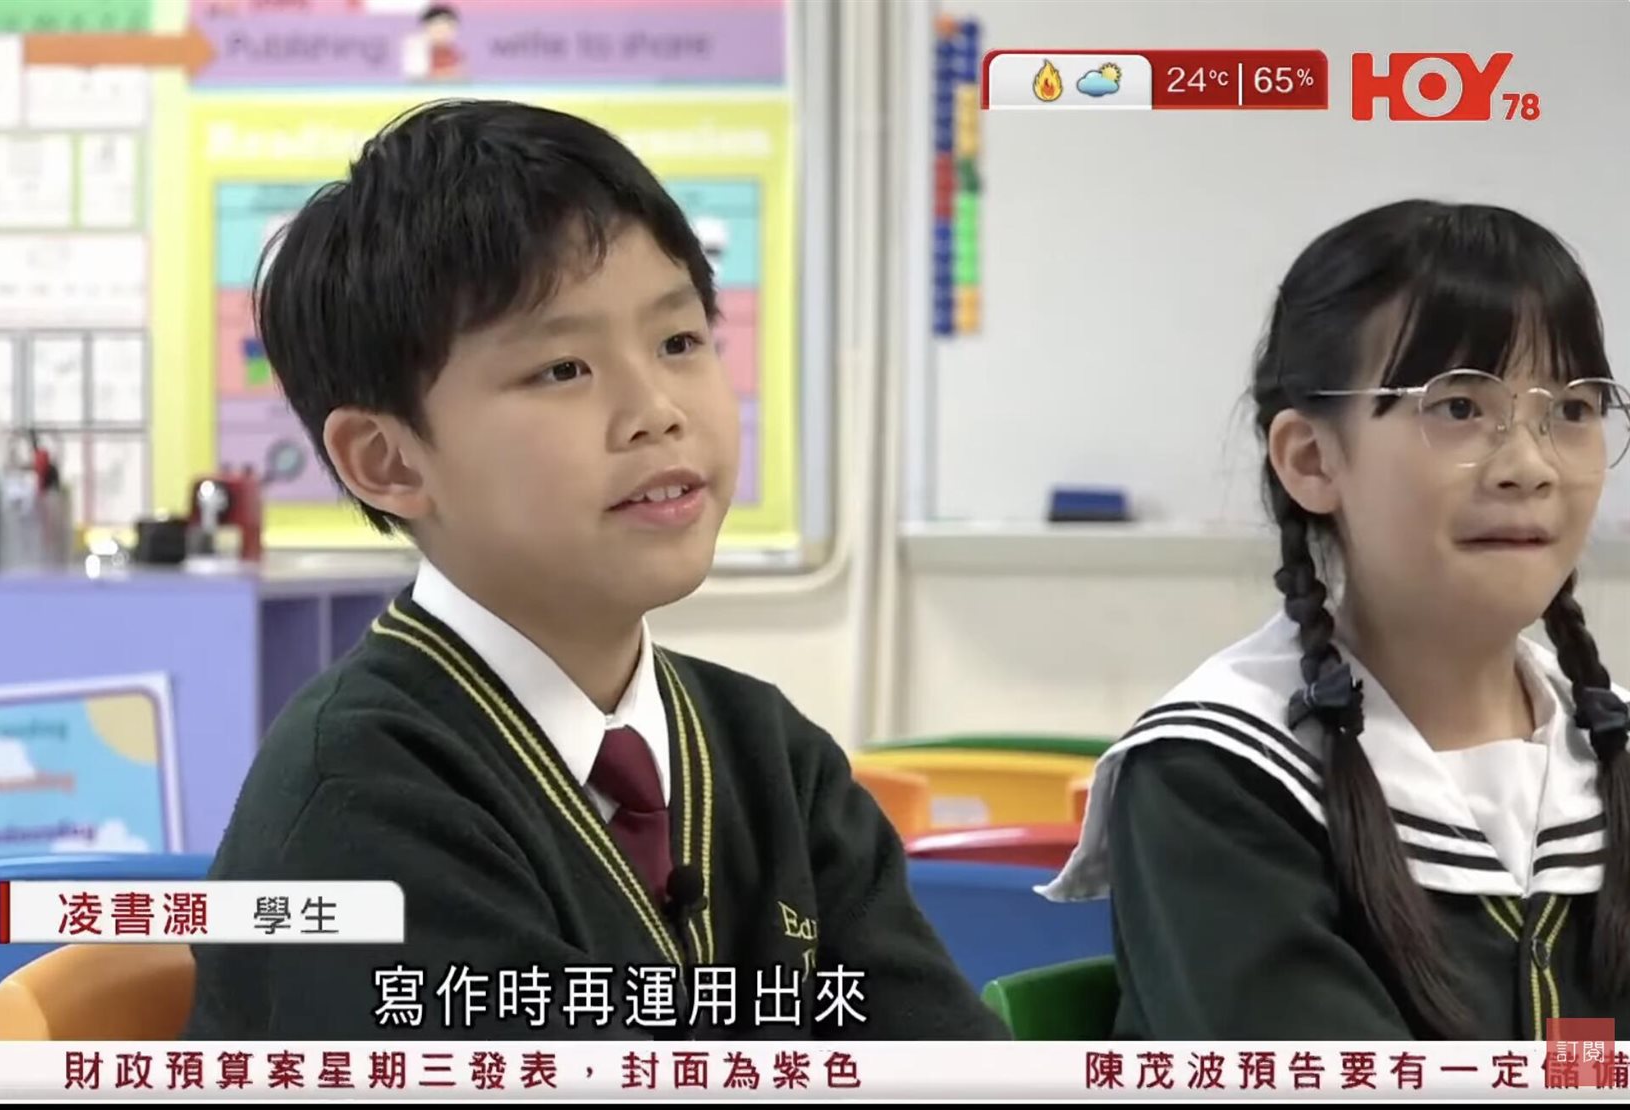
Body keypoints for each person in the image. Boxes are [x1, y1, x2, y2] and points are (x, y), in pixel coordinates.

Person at [185, 99, 1007, 1041]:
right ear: (390, 460)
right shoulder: (358, 804)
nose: (657, 409)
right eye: (564, 369)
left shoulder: (769, 756)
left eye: (679, 342)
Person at [1043, 200, 1630, 1039]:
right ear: (1312, 460)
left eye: (1572, 410)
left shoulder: (1610, 750)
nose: (1530, 466)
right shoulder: (1219, 773)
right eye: (1459, 407)